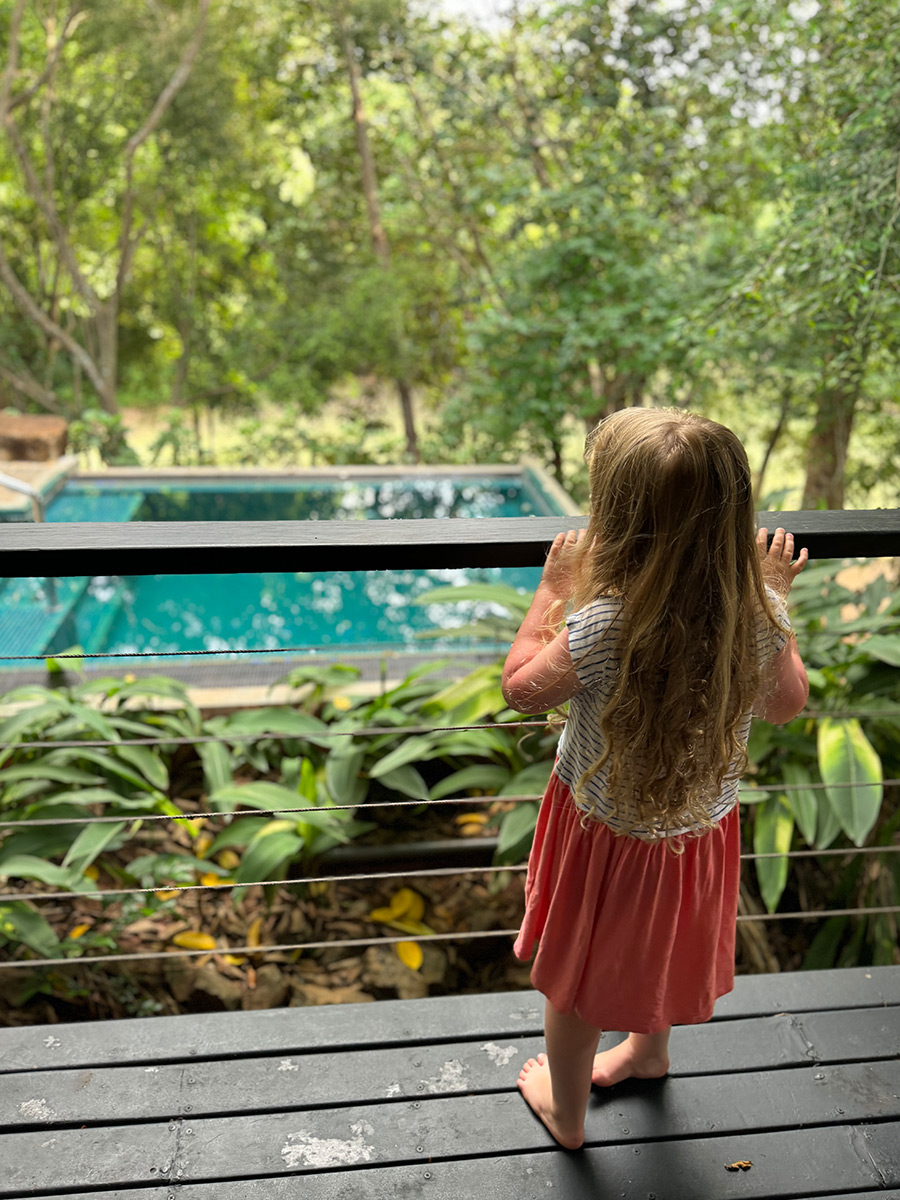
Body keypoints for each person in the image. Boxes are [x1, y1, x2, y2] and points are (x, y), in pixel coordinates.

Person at [501, 407, 809, 1150]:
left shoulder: (606, 623)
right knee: (659, 949)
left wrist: (552, 591)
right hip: (697, 834)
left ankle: (567, 1115)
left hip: (602, 836)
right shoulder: (749, 614)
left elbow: (522, 691)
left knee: (575, 987)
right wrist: (774, 600)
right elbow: (785, 705)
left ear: (617, 520)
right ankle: (647, 1053)